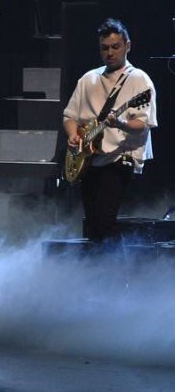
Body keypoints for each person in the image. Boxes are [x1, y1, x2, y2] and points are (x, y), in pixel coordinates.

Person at [63, 19, 158, 242]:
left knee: (105, 219)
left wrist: (121, 123)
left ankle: (118, 265)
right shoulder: (88, 79)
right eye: (104, 48)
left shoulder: (139, 79)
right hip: (90, 157)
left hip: (121, 155)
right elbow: (70, 116)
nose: (110, 53)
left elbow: (143, 123)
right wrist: (73, 135)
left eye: (115, 47)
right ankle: (98, 263)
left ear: (128, 46)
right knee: (92, 223)